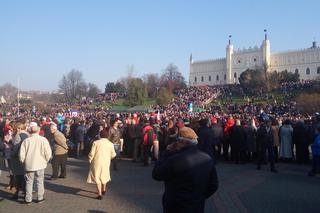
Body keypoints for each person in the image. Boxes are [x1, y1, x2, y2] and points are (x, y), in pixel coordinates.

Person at [152, 127, 218, 213]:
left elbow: (157, 174)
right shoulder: (207, 158)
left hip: (176, 205)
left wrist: (167, 152)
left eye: (176, 140)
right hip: (197, 206)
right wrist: (199, 197)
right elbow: (214, 185)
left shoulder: (176, 160)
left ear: (181, 142)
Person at [19, 122, 52, 204]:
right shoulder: (43, 140)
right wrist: (46, 161)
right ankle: (40, 197)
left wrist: (23, 162)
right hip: (40, 164)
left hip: (29, 164)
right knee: (40, 181)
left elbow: (21, 155)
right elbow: (48, 153)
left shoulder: (26, 141)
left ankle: (28, 199)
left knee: (29, 182)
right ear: (38, 131)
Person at [87, 129, 116, 200]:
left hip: (97, 161)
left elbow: (91, 153)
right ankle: (104, 190)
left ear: (100, 135)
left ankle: (99, 194)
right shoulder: (110, 144)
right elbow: (113, 154)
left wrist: (90, 159)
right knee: (104, 175)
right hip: (106, 162)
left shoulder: (96, 143)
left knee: (97, 176)